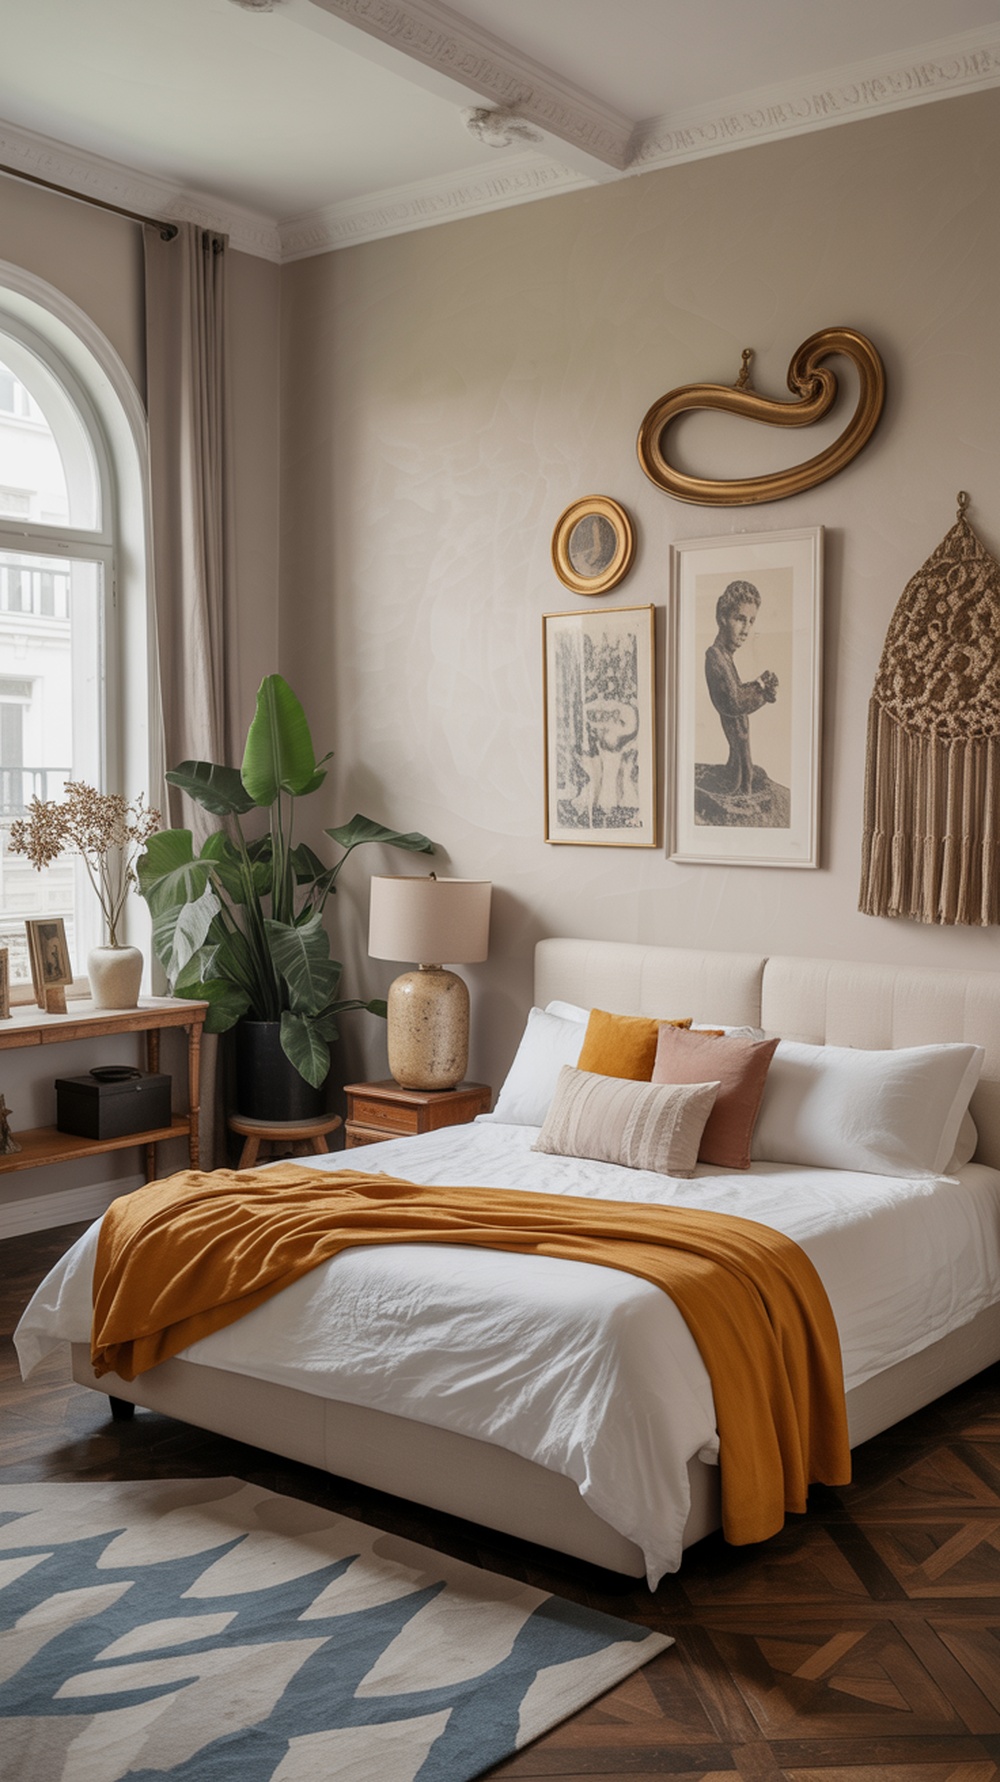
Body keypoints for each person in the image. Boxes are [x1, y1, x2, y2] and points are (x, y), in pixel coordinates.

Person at [704, 580, 778, 796]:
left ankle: (746, 773)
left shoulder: (726, 657)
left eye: (751, 621)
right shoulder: (715, 657)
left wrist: (759, 686)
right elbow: (733, 703)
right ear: (722, 617)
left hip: (741, 761)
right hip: (734, 776)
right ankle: (743, 776)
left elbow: (735, 693)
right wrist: (761, 689)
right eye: (740, 619)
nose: (746, 630)